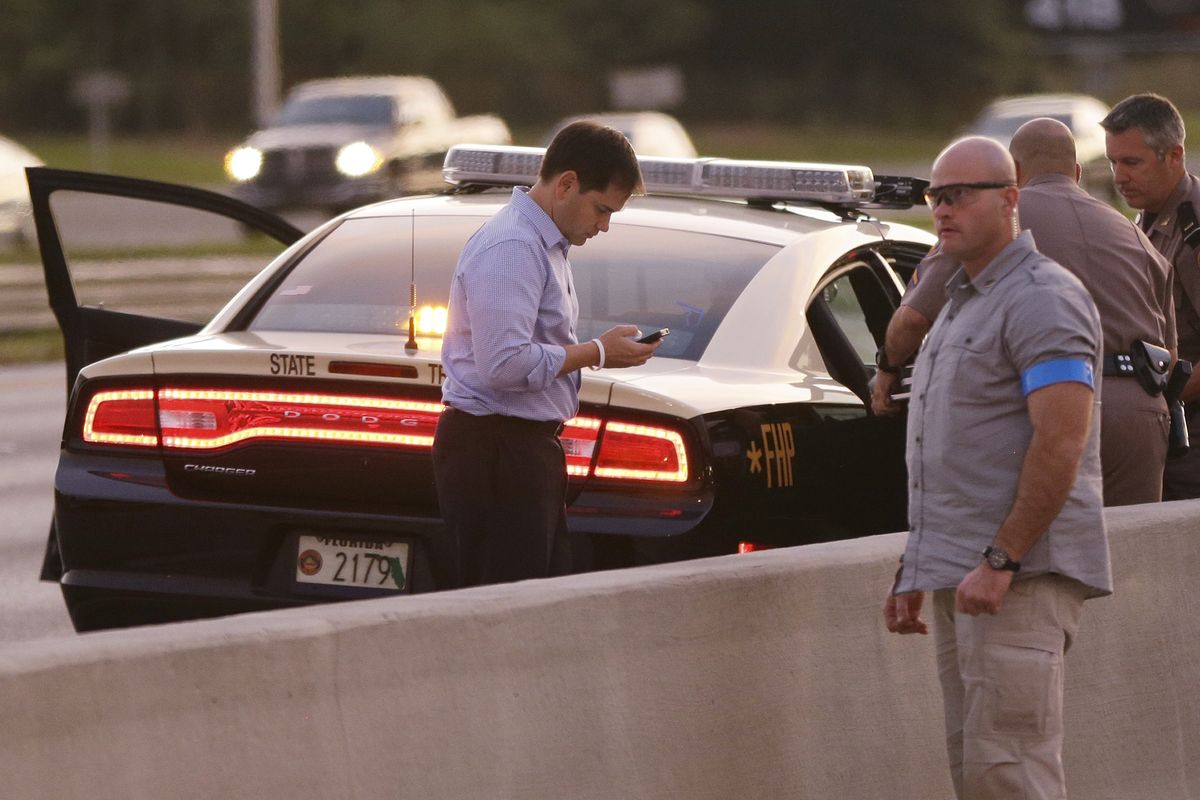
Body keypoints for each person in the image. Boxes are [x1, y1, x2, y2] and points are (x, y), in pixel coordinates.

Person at [884, 136, 1111, 800]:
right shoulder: (961, 301)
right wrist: (917, 568)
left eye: (957, 196)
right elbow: (951, 456)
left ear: (1010, 199)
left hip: (1020, 578)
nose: (941, 210)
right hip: (967, 576)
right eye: (934, 197)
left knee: (1012, 770)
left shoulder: (1044, 298)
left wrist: (1004, 557)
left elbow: (1062, 442)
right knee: (979, 773)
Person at [873, 118, 1176, 507]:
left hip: (1045, 407)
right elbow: (1170, 353)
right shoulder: (1136, 235)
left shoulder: (998, 219)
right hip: (1139, 415)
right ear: (1078, 173)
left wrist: (887, 369)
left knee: (1029, 554)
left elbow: (914, 318)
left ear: (1013, 172)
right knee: (1132, 558)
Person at [433, 121, 660, 589]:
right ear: (567, 184)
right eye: (601, 209)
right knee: (506, 611)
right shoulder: (515, 246)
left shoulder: (542, 242)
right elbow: (504, 365)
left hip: (515, 449)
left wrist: (595, 350)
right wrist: (597, 352)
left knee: (534, 601)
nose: (604, 225)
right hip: (497, 450)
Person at [1102, 93, 1200, 500]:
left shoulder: (1193, 232)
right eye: (1113, 162)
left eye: (1132, 162)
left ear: (1173, 156)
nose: (1119, 176)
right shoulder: (1144, 222)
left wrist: (1164, 398)